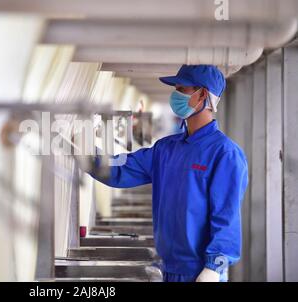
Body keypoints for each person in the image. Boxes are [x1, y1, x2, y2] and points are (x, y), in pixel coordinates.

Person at [89, 65, 248, 282]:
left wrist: (214, 268)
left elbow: (226, 217)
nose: (175, 96)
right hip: (168, 269)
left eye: (182, 89)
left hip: (200, 272)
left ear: (202, 94)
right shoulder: (165, 149)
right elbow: (119, 170)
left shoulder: (224, 154)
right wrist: (83, 151)